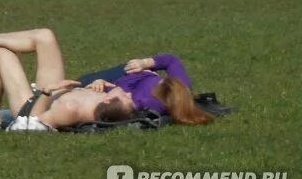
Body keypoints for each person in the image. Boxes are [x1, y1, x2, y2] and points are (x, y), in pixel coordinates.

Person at [0, 10, 136, 130]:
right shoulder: (104, 100)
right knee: (45, 36)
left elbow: (33, 122)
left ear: (110, 99)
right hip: (55, 93)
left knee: (1, 53)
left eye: (126, 97)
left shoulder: (71, 110)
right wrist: (98, 83)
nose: (129, 94)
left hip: (31, 106)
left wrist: (47, 92)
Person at [70, 53, 213, 125]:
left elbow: (118, 95)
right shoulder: (182, 87)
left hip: (120, 77)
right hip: (129, 76)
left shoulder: (142, 101)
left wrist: (102, 84)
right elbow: (171, 60)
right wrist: (145, 63)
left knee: (76, 85)